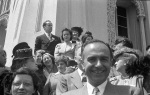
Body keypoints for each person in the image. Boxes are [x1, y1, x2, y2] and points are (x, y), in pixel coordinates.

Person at [61, 39, 142, 95]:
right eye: (92, 59)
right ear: (82, 63)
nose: (98, 64)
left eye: (104, 59)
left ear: (111, 63)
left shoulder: (130, 93)